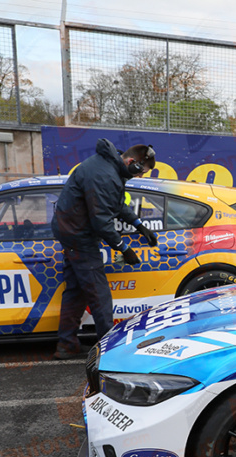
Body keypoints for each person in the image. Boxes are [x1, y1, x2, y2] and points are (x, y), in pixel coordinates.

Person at [51, 140, 158, 359]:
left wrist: (139, 225)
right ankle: (109, 351)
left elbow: (116, 204)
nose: (139, 177)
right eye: (140, 172)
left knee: (76, 292)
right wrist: (124, 248)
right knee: (99, 295)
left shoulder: (109, 166)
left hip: (72, 232)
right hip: (79, 236)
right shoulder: (105, 175)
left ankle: (66, 344)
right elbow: (101, 221)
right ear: (131, 162)